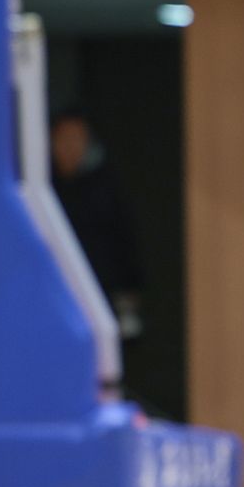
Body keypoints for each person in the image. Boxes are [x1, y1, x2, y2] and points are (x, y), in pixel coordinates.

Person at [50, 110, 146, 343]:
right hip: (54, 294)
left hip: (100, 293)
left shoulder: (105, 188)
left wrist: (129, 290)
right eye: (64, 139)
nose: (70, 147)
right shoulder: (42, 191)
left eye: (77, 139)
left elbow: (124, 241)